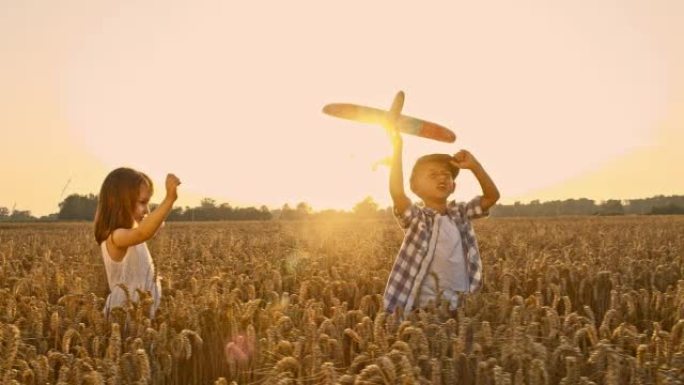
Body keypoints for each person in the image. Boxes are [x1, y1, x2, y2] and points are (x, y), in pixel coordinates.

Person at [383, 122, 500, 315]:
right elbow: (397, 192)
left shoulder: (461, 214)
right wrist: (397, 149)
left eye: (447, 175)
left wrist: (475, 166)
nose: (442, 178)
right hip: (420, 309)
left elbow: (491, 197)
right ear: (415, 188)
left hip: (459, 307)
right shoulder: (418, 218)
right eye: (433, 174)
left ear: (453, 186)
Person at [94, 167, 181, 319]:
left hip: (142, 312)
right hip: (124, 313)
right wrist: (169, 199)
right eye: (142, 202)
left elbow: (148, 228)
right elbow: (143, 233)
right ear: (119, 203)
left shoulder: (132, 234)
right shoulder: (116, 237)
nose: (147, 209)